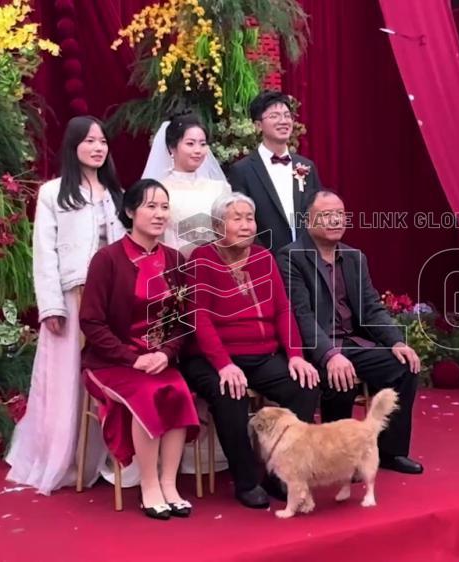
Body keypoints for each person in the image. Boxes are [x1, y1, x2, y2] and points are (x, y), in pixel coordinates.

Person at [6, 116, 126, 494]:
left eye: (102, 141)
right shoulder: (53, 193)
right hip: (73, 298)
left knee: (109, 375)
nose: (97, 147)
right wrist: (51, 306)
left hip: (112, 300)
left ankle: (109, 455)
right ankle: (65, 459)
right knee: (66, 380)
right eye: (89, 141)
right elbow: (44, 253)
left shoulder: (116, 193)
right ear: (73, 146)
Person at [181, 192, 320, 509]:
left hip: (261, 353)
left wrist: (296, 355)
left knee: (305, 385)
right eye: (237, 218)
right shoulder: (202, 258)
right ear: (218, 226)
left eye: (250, 218)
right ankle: (246, 481)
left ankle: (278, 474)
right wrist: (224, 364)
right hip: (211, 357)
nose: (246, 225)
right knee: (230, 393)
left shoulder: (263, 257)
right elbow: (199, 317)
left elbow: (283, 310)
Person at [278, 190, 424, 475]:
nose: (335, 220)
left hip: (352, 342)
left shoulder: (355, 257)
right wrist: (330, 354)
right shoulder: (291, 257)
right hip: (316, 347)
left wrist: (396, 341)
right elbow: (301, 315)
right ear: (307, 220)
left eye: (339, 214)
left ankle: (390, 452)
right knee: (339, 377)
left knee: (403, 366)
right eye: (326, 215)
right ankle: (338, 457)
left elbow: (371, 307)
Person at [79, 179, 200, 520]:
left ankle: (169, 484)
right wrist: (132, 358)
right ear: (130, 212)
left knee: (178, 389)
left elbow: (184, 320)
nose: (159, 214)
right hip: (111, 361)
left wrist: (166, 353)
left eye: (164, 207)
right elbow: (91, 322)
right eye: (151, 206)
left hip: (158, 360)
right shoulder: (107, 259)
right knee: (148, 393)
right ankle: (149, 486)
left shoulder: (174, 259)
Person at [227, 91, 323, 252]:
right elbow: (241, 221)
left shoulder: (306, 166)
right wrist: (264, 258)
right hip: (266, 258)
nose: (283, 121)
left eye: (287, 115)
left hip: (307, 257)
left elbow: (318, 212)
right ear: (258, 125)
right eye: (274, 116)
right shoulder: (242, 170)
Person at [142, 111, 230, 258]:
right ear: (172, 148)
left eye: (203, 144)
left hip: (216, 264)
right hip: (175, 264)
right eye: (190, 144)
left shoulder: (220, 188)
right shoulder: (158, 190)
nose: (198, 150)